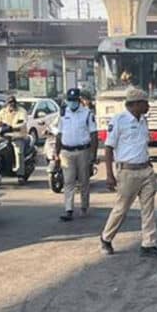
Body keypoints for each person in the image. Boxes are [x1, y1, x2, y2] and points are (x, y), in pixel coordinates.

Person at [99, 87, 157, 258]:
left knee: (148, 208)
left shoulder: (143, 120)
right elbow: (108, 148)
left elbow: (142, 144)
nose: (148, 106)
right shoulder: (119, 120)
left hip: (145, 170)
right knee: (122, 208)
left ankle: (148, 243)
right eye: (145, 103)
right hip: (128, 171)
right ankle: (106, 238)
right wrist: (109, 175)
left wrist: (148, 163)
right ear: (135, 104)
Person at [54, 88, 98, 221]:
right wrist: (56, 153)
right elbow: (59, 134)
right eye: (70, 100)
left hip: (83, 151)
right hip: (66, 152)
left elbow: (93, 134)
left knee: (84, 181)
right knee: (68, 181)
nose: (71, 102)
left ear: (79, 100)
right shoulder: (63, 114)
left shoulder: (87, 113)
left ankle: (84, 207)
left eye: (74, 100)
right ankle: (69, 210)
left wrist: (93, 154)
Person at [0, 95, 29, 178]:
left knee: (18, 152)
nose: (11, 104)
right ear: (6, 103)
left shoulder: (21, 111)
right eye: (9, 102)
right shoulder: (3, 111)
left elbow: (22, 123)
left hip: (17, 136)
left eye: (13, 102)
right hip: (4, 136)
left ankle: (20, 174)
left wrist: (12, 127)